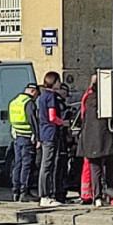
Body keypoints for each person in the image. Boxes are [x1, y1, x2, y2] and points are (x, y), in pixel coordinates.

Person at [77, 77, 113, 207]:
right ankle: (111, 196)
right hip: (106, 138)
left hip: (90, 139)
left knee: (95, 169)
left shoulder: (88, 98)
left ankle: (97, 197)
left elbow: (83, 117)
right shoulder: (107, 100)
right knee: (110, 168)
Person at [37, 72, 68, 207]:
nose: (60, 83)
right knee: (48, 165)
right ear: (54, 82)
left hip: (44, 132)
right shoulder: (51, 96)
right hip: (51, 133)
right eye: (58, 81)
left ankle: (45, 194)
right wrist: (63, 123)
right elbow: (52, 117)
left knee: (46, 165)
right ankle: (45, 196)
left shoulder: (42, 96)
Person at [9, 83, 40, 202]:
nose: (36, 97)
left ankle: (15, 191)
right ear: (32, 91)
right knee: (26, 164)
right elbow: (33, 120)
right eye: (36, 94)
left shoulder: (15, 101)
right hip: (27, 137)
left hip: (17, 136)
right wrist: (37, 137)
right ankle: (24, 192)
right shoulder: (29, 103)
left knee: (18, 164)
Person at [78, 74, 97, 204]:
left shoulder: (87, 95)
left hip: (87, 134)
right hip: (92, 134)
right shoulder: (92, 97)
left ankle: (87, 193)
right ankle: (88, 194)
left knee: (89, 165)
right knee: (91, 165)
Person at [53, 83, 70, 203]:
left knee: (59, 167)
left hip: (58, 136)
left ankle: (60, 192)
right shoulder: (59, 103)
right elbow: (55, 118)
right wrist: (65, 123)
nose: (67, 94)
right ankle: (59, 193)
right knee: (59, 167)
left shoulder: (56, 101)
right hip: (59, 137)